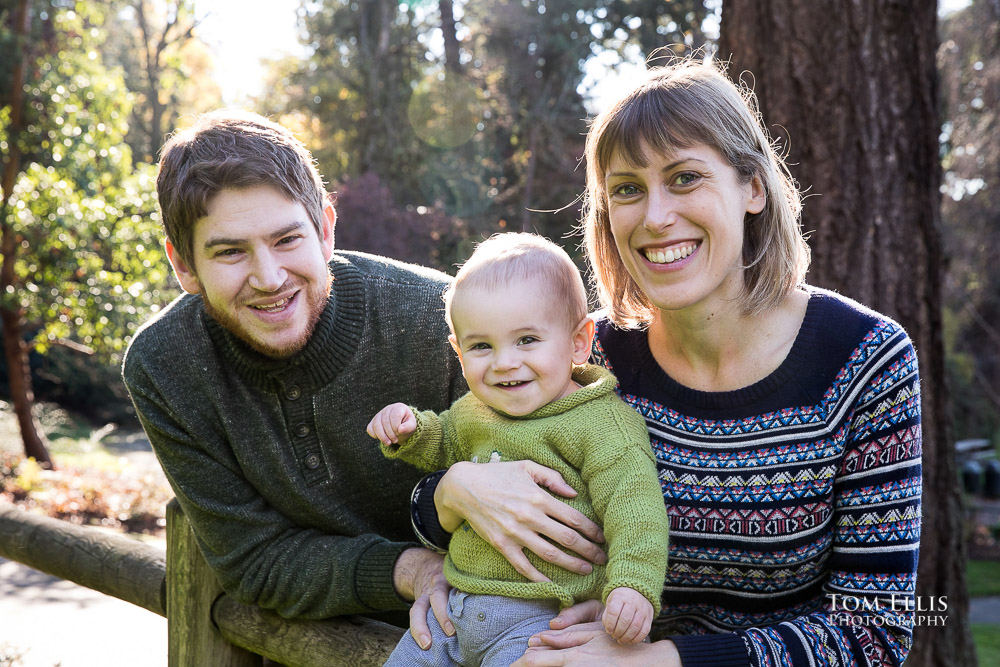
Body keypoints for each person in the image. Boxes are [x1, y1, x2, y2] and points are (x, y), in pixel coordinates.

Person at [411, 59, 922, 667]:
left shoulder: (864, 360)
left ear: (753, 187)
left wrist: (664, 659)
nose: (655, 217)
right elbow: (452, 474)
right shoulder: (585, 354)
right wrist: (452, 493)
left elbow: (876, 631)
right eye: (627, 189)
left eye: (684, 178)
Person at [121, 110, 470, 625]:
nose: (268, 277)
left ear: (325, 229)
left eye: (287, 240)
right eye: (230, 252)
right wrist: (409, 568)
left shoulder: (442, 317)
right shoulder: (164, 367)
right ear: (183, 266)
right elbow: (254, 559)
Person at [367, 233, 669, 665]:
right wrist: (410, 429)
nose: (505, 362)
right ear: (458, 351)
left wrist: (632, 585)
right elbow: (443, 440)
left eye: (527, 340)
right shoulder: (474, 410)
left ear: (579, 342)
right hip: (451, 611)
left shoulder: (602, 425)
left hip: (540, 621)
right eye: (481, 346)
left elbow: (635, 509)